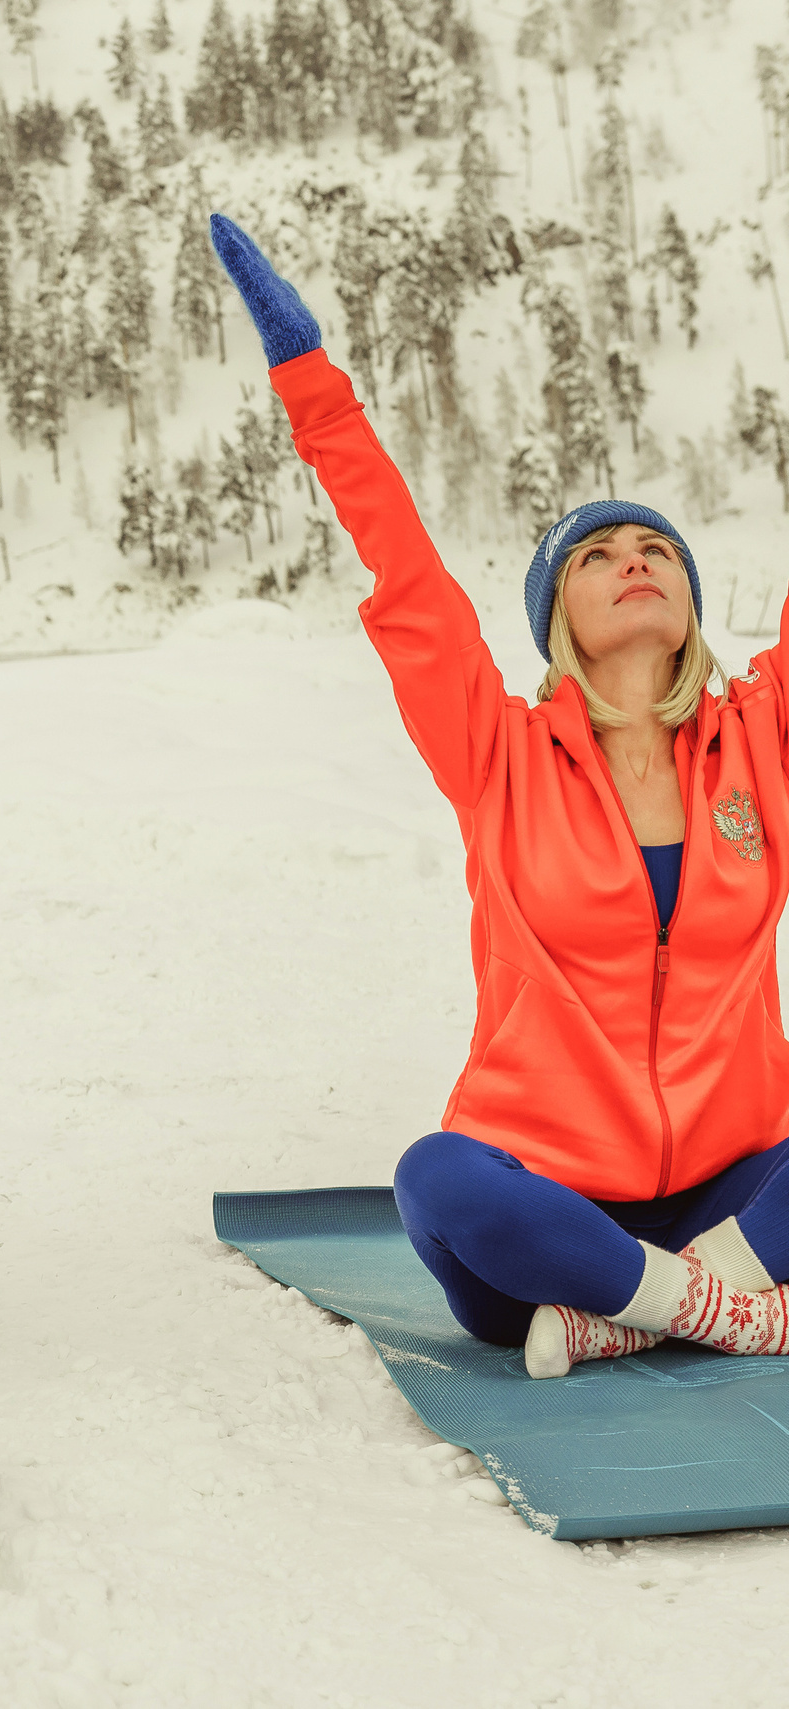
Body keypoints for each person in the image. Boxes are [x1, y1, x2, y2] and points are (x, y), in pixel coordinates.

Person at [210, 214, 789, 1381]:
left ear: (686, 594)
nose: (633, 558)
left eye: (655, 548)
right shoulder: (499, 753)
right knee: (434, 1178)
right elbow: (403, 569)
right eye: (595, 554)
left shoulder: (758, 742)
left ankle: (638, 1309)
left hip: (735, 1184)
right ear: (555, 620)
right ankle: (730, 1303)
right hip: (550, 1202)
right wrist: (313, 390)